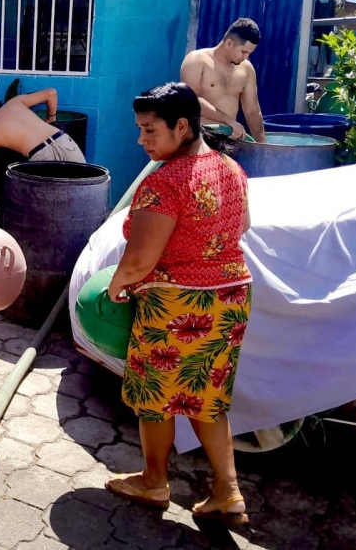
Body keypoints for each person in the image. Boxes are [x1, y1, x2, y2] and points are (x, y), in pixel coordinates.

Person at [104, 82, 253, 528]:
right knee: (209, 400)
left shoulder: (163, 182)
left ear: (182, 126)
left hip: (176, 306)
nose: (141, 140)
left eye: (149, 130)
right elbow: (243, 226)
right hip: (230, 298)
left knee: (155, 399)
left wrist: (115, 287)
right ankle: (228, 492)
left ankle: (154, 481)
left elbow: (139, 260)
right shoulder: (230, 166)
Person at [0, 89, 86, 184]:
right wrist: (51, 118)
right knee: (84, 188)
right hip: (63, 140)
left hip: (41, 157)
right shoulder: (14, 102)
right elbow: (51, 93)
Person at [180, 18, 267, 143]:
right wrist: (228, 121)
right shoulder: (197, 60)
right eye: (243, 52)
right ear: (229, 43)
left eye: (249, 53)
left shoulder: (246, 69)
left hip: (229, 142)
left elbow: (252, 111)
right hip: (199, 140)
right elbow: (191, 101)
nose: (246, 57)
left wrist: (263, 146)